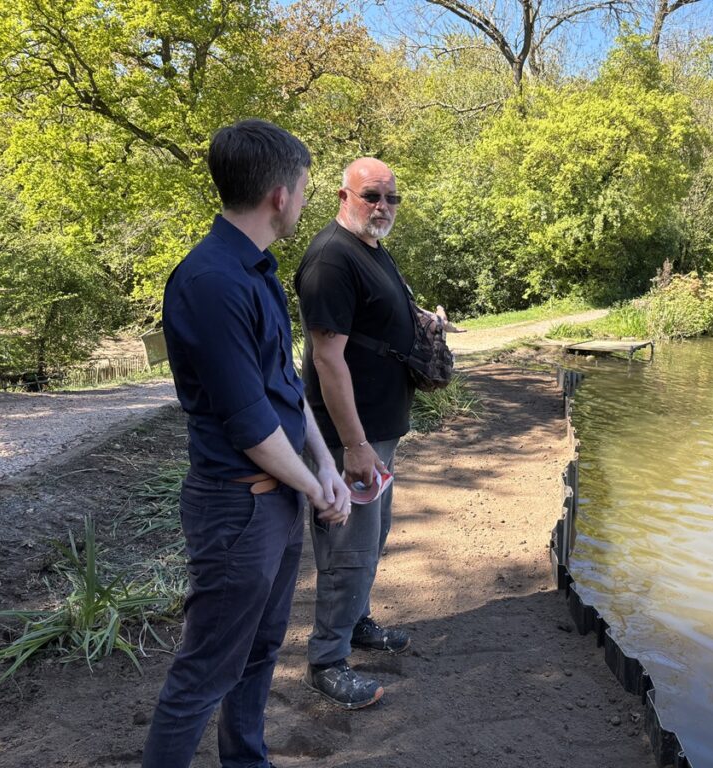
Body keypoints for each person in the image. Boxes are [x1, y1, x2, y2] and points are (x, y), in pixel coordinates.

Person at [142, 119, 351, 768]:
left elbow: (285, 390)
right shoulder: (210, 282)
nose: (306, 198)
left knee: (261, 654)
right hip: (237, 512)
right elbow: (249, 424)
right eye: (307, 187)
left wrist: (326, 465)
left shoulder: (256, 270)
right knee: (204, 675)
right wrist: (316, 487)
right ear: (280, 196)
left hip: (278, 505)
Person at [295, 157, 437, 709]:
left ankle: (355, 624)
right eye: (371, 196)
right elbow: (327, 359)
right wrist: (352, 446)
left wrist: (425, 321)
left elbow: (382, 317)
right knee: (348, 548)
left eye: (391, 198)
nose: (383, 207)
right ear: (344, 195)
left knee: (372, 538)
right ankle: (326, 660)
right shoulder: (331, 258)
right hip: (348, 437)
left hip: (379, 430)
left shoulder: (371, 249)